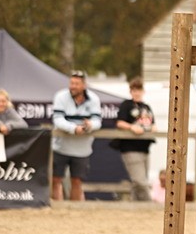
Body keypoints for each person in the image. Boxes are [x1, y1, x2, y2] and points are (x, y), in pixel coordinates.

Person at [51, 70, 101, 201]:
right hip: (60, 147)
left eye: (76, 84)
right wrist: (74, 128)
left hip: (82, 150)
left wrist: (89, 125)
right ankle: (57, 210)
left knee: (77, 181)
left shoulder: (94, 99)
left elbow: (98, 121)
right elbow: (57, 120)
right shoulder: (60, 96)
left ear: (84, 85)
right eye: (71, 83)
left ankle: (75, 212)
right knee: (55, 180)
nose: (73, 86)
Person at [111, 78, 156, 201]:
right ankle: (149, 205)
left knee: (140, 182)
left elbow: (153, 125)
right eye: (134, 90)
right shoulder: (126, 105)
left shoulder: (146, 107)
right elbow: (119, 123)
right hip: (130, 148)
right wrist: (132, 127)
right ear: (130, 92)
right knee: (140, 181)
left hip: (145, 149)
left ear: (143, 91)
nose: (137, 93)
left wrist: (151, 128)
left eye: (139, 90)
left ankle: (136, 206)